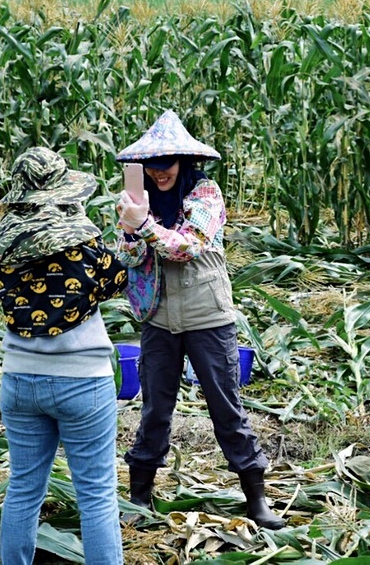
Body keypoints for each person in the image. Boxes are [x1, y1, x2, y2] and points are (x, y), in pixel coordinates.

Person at [114, 110, 285, 530]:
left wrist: (145, 226)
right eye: (150, 167)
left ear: (184, 162)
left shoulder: (206, 194)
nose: (158, 174)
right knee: (155, 408)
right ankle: (140, 497)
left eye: (166, 164)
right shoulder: (142, 202)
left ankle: (257, 499)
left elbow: (187, 247)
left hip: (208, 316)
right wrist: (131, 231)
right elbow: (129, 258)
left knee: (226, 407)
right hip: (158, 317)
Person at [0, 147, 129, 565]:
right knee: (97, 495)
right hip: (82, 379)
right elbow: (117, 277)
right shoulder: (84, 246)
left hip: (19, 378)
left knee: (24, 488)